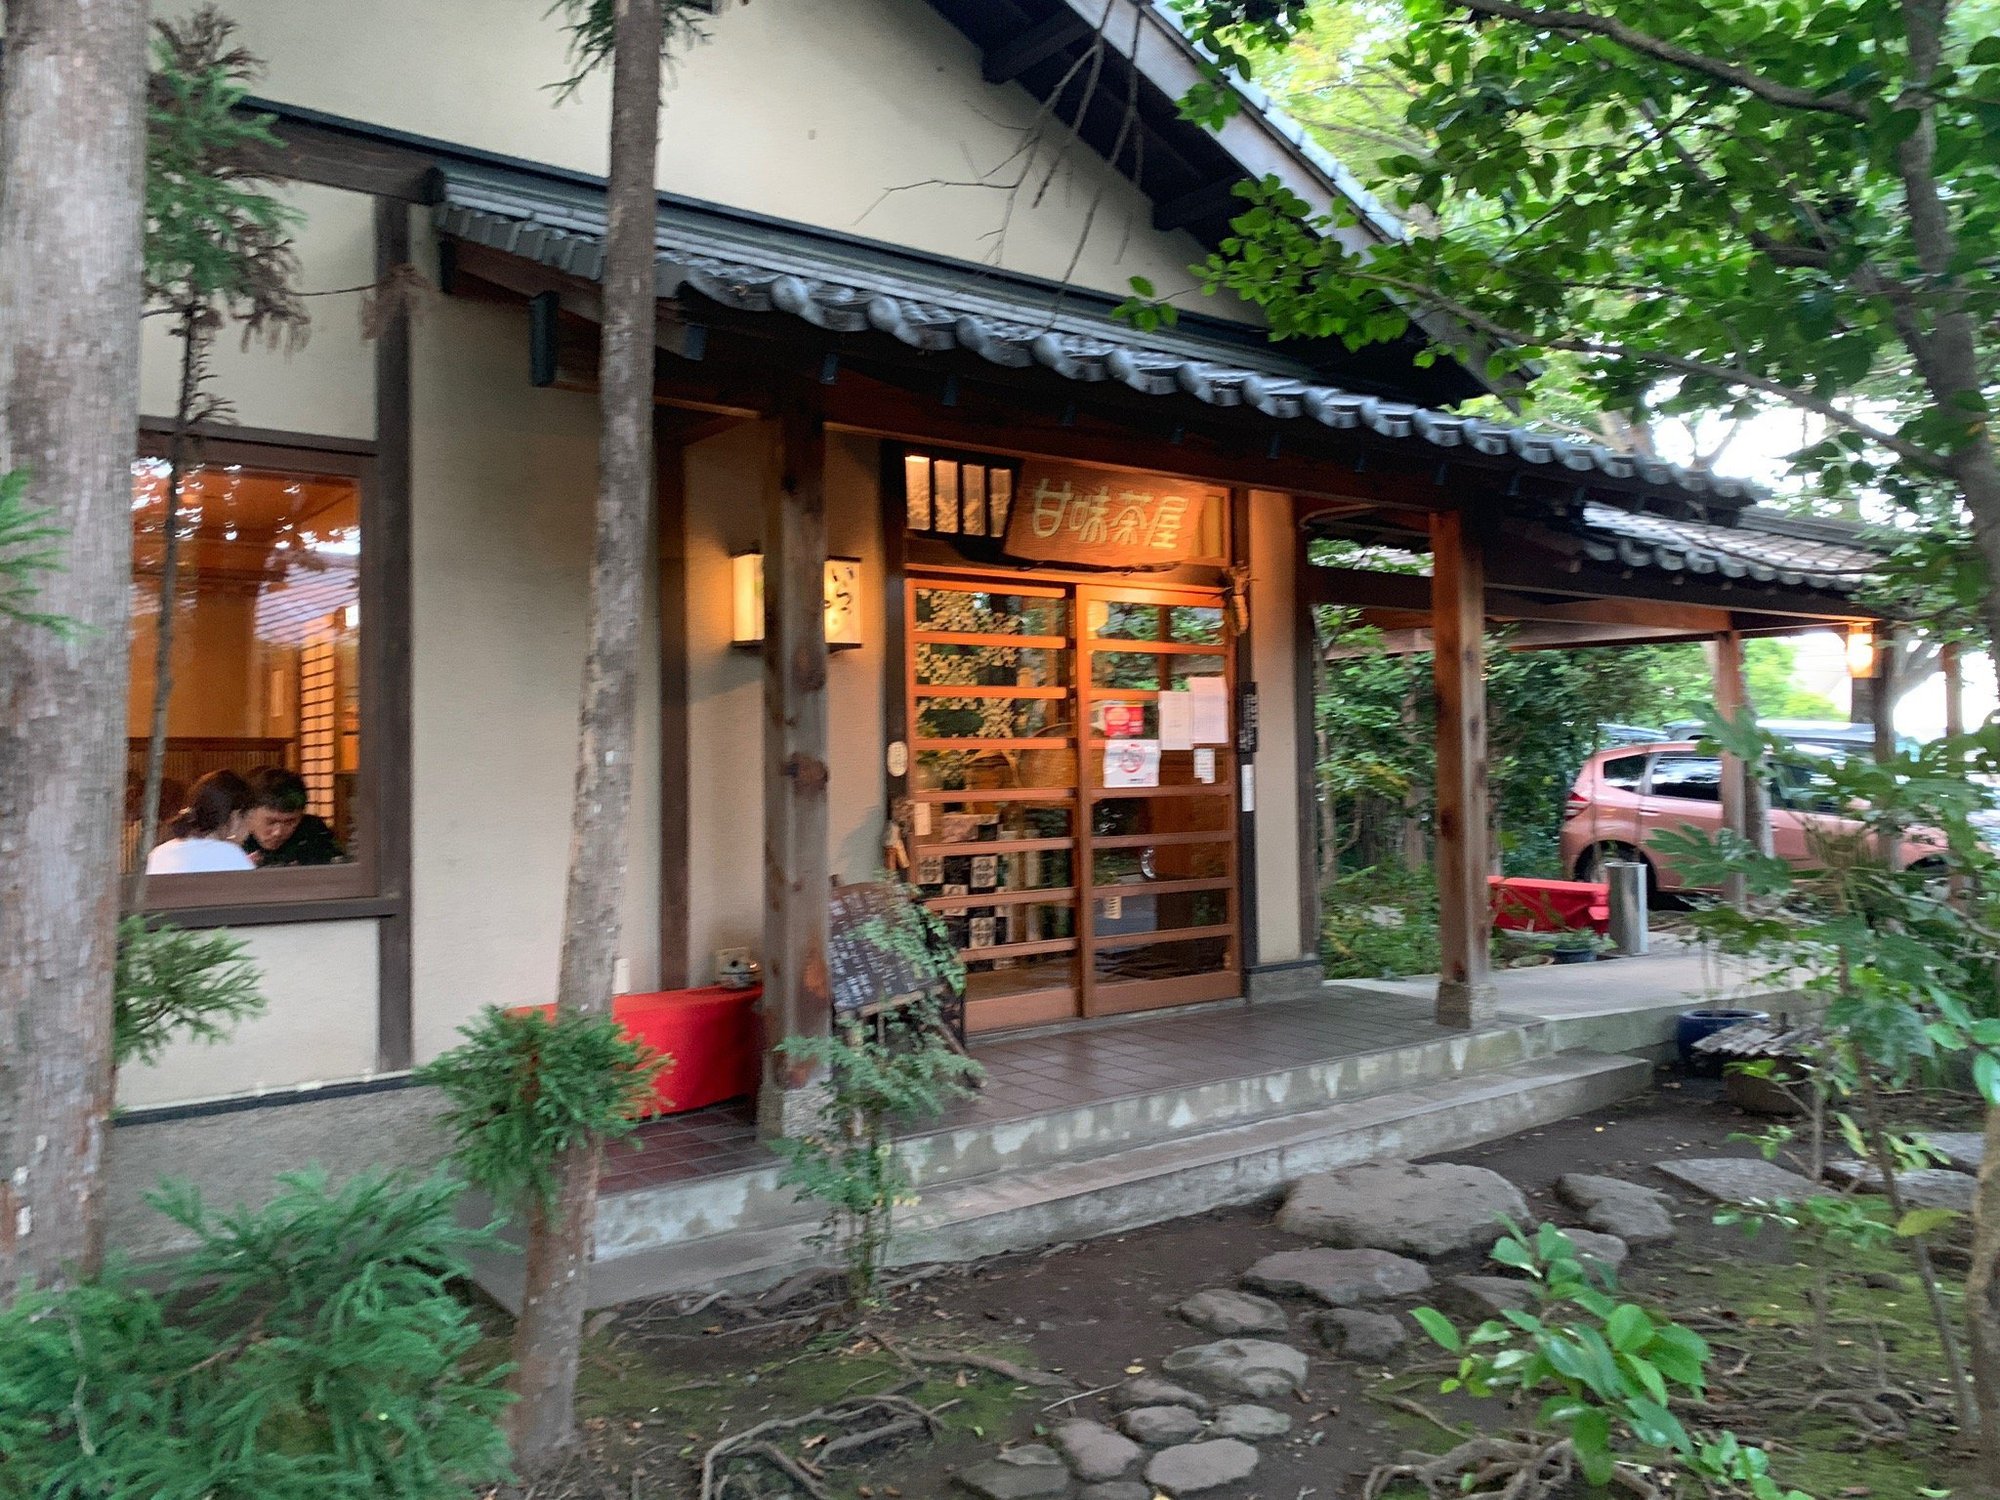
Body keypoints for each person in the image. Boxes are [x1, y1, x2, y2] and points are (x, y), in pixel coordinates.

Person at [146, 770, 256, 875]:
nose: (250, 827)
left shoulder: (158, 854)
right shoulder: (231, 855)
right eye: (248, 817)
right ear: (235, 816)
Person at [242, 766, 345, 867]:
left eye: (290, 822)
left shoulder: (313, 831)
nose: (278, 832)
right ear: (248, 815)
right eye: (271, 822)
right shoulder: (234, 838)